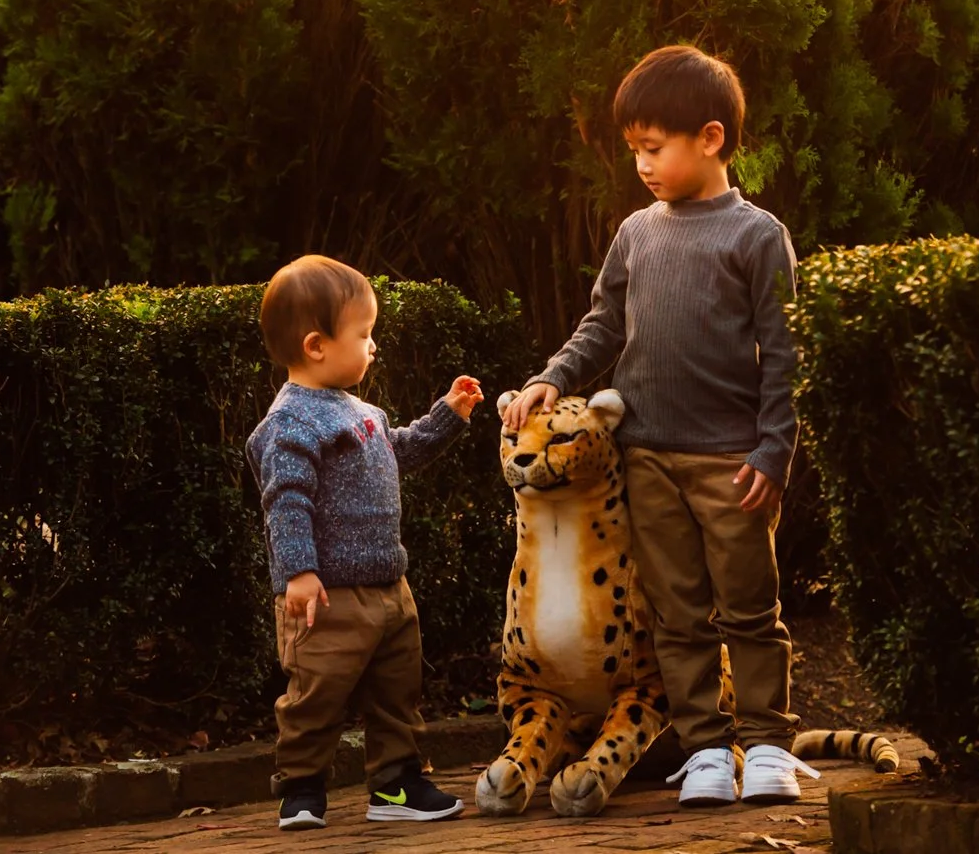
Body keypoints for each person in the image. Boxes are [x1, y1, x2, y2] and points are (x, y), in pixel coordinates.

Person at [504, 45, 817, 808]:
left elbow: (784, 354)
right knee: (676, 615)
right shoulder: (638, 232)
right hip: (644, 456)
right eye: (634, 149)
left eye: (655, 146)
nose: (641, 164)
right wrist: (552, 376)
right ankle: (705, 748)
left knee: (749, 606)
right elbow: (603, 323)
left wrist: (775, 450)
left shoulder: (756, 234)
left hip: (733, 462)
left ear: (710, 137)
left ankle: (769, 742)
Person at [246, 254, 483, 830]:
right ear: (316, 345)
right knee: (316, 696)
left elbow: (398, 453)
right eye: (364, 334)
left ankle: (395, 785)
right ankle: (301, 787)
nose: (373, 345)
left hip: (388, 588)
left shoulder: (363, 412)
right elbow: (287, 501)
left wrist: (447, 415)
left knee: (398, 693)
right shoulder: (290, 424)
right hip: (327, 595)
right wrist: (299, 572)